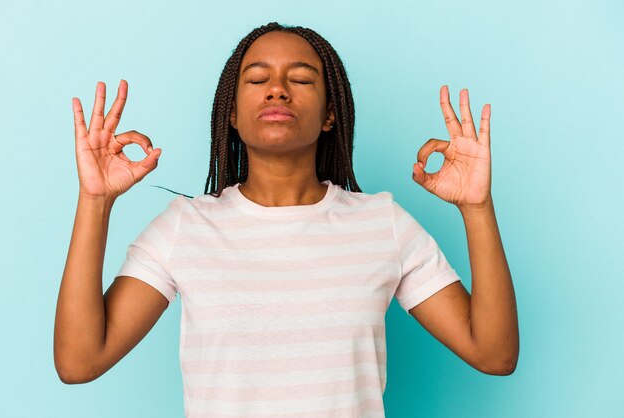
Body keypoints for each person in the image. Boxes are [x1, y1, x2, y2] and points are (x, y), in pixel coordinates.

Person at [54, 21, 519, 417]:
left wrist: (476, 208)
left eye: (300, 78)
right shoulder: (186, 227)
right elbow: (79, 362)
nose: (277, 88)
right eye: (257, 79)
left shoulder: (383, 224)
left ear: (330, 114)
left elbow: (494, 353)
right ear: (232, 114)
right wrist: (95, 200)